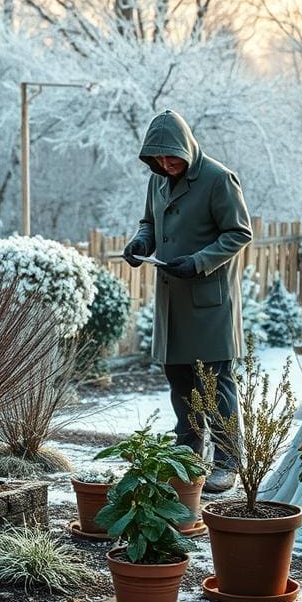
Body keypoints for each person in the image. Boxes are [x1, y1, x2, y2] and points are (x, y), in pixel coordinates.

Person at [123, 110, 252, 492]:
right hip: (172, 303)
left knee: (215, 383)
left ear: (187, 148)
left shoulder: (218, 179)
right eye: (159, 159)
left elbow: (239, 232)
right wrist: (141, 242)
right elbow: (149, 221)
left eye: (172, 157)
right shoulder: (158, 181)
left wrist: (198, 262)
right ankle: (188, 456)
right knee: (179, 382)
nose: (166, 164)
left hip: (210, 304)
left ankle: (228, 461)